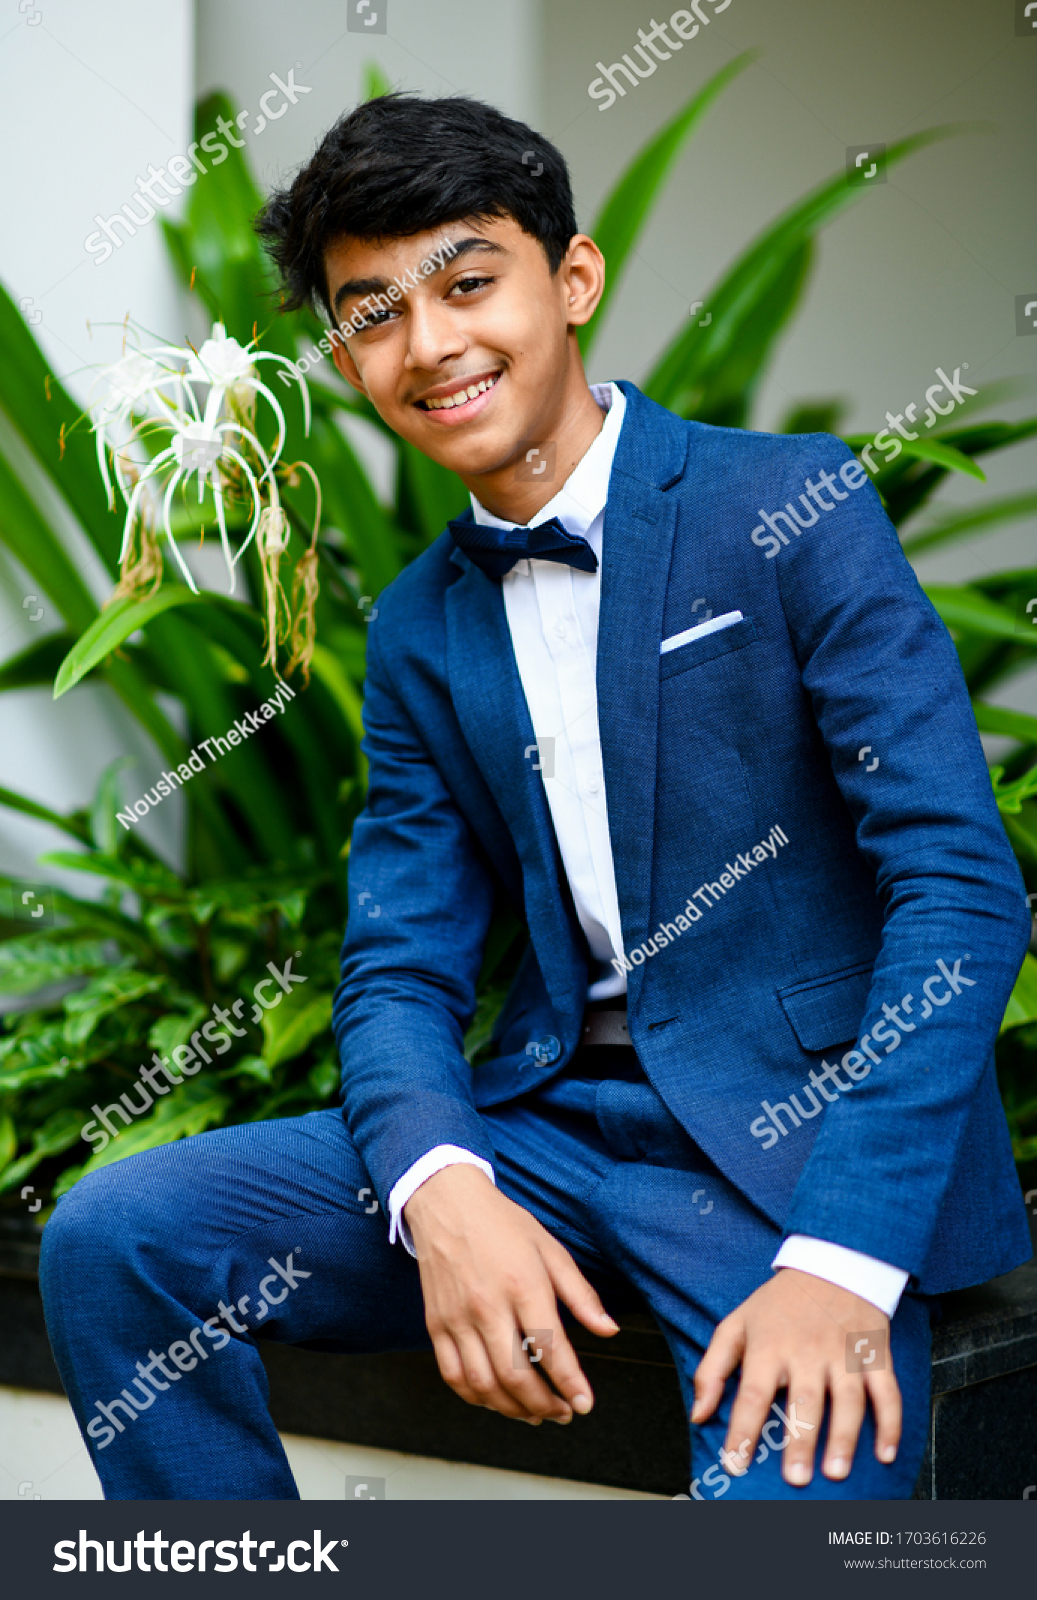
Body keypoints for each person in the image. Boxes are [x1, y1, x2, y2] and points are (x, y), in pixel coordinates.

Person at [41, 93, 1031, 1501]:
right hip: (547, 1130)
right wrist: (443, 1188)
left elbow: (957, 889)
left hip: (789, 1162)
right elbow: (395, 968)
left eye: (466, 282)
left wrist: (840, 1258)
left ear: (571, 281)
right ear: (341, 353)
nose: (429, 344)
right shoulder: (419, 626)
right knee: (118, 1236)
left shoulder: (792, 506)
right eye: (373, 310)